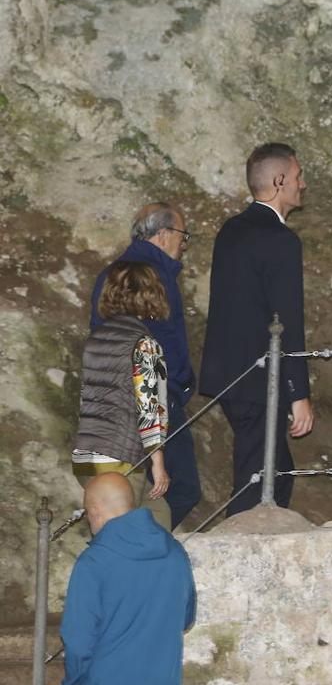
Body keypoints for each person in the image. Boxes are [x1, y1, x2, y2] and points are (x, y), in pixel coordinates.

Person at [200, 142, 314, 517]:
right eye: (298, 176)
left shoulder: (231, 230)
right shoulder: (281, 241)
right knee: (260, 475)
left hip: (228, 375)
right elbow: (286, 321)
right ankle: (242, 548)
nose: (303, 184)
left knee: (276, 472)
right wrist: (298, 392)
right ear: (280, 180)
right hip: (259, 377)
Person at [89, 203, 200, 530]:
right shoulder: (146, 275)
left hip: (116, 405)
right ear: (164, 234)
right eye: (183, 235)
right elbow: (153, 351)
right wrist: (177, 385)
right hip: (152, 399)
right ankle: (136, 553)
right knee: (179, 488)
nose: (184, 243)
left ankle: (130, 549)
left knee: (138, 492)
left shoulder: (116, 272)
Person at [61, 473, 196, 685]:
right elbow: (186, 618)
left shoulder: (94, 562)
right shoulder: (175, 552)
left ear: (94, 510)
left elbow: (78, 640)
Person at [73, 261, 173, 530]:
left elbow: (86, 398)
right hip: (120, 457)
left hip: (87, 454)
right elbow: (150, 407)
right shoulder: (145, 344)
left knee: (158, 515)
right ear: (151, 295)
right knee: (123, 534)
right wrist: (158, 463)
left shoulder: (95, 339)